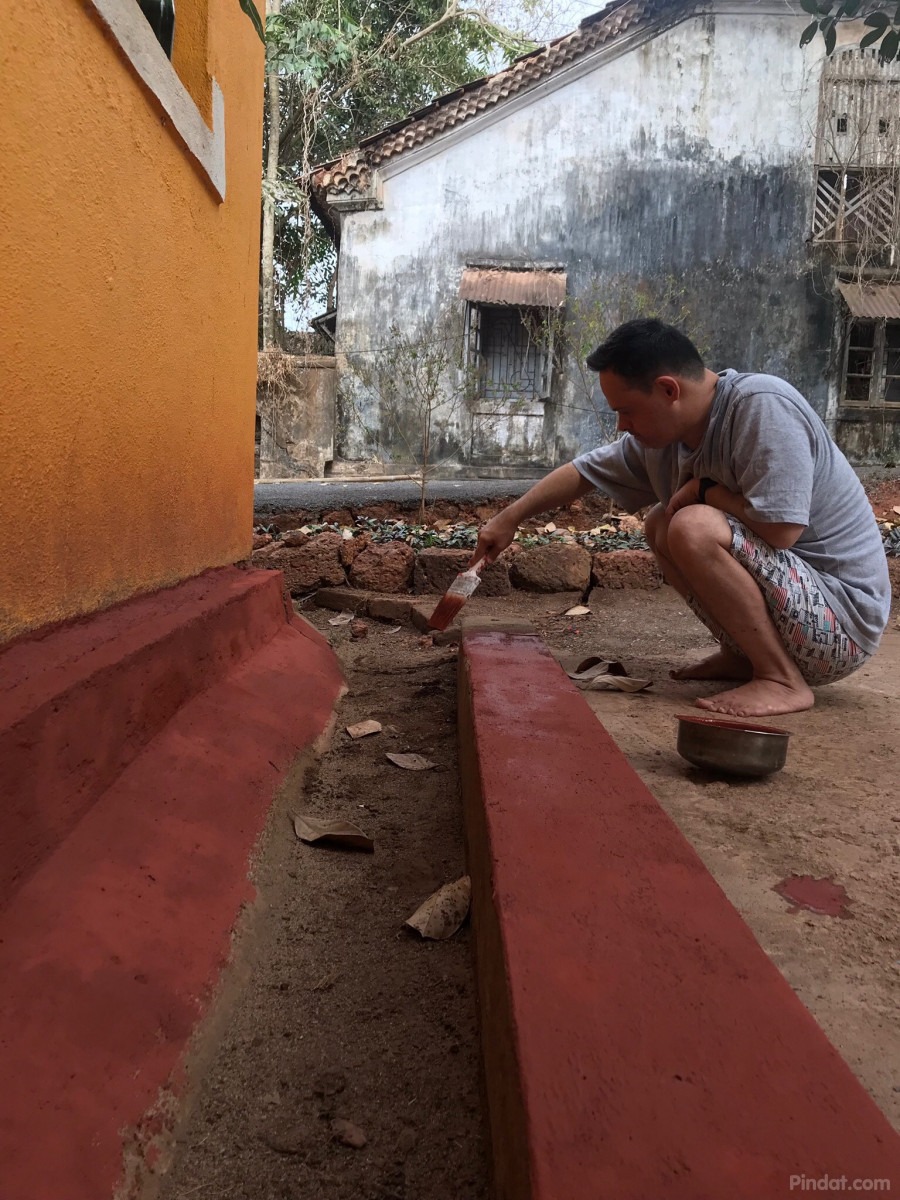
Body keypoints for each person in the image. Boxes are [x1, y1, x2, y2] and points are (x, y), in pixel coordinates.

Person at [471, 319, 891, 717]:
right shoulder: (665, 440)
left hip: (842, 625)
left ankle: (780, 679)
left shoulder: (761, 406)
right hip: (798, 615)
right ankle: (743, 655)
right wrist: (510, 518)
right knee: (661, 522)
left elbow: (781, 531)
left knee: (691, 524)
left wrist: (708, 492)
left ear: (668, 390)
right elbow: (585, 472)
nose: (622, 425)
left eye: (627, 411)